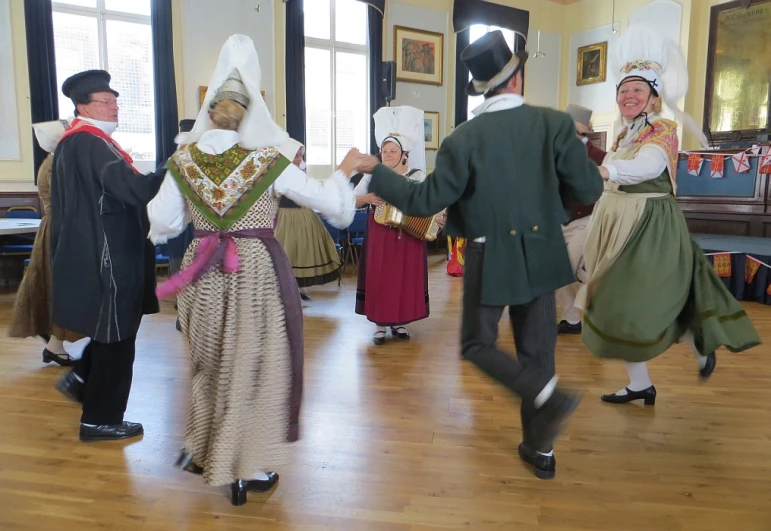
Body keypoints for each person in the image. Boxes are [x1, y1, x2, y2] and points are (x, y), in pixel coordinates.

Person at [351, 31, 603, 479]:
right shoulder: (555, 124)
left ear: (481, 86)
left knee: (477, 344)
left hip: (491, 256)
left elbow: (426, 199)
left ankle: (549, 398)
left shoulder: (461, 139)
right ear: (517, 77)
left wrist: (375, 171)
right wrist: (551, 212)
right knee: (538, 351)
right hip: (543, 250)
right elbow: (587, 189)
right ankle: (540, 448)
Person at [146, 34, 357, 506]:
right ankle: (244, 468)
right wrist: (343, 171)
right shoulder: (269, 161)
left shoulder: (183, 161)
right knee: (254, 365)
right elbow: (331, 205)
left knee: (208, 363)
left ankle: (204, 449)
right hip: (255, 270)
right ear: (252, 112)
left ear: (210, 111)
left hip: (200, 270)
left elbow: (162, 222)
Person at [574, 23, 760, 405]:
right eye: (624, 89)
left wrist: (606, 171)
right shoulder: (626, 134)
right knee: (615, 302)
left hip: (647, 226)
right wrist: (593, 156)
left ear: (653, 98)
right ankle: (640, 383)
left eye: (637, 89)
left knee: (642, 301)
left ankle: (697, 341)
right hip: (617, 223)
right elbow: (613, 161)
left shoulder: (662, 130)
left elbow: (647, 167)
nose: (629, 95)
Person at [50, 69, 164, 442]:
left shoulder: (74, 142)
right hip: (109, 255)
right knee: (117, 336)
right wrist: (171, 170)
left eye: (115, 100)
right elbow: (132, 190)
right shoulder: (91, 143)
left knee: (109, 329)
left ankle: (82, 379)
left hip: (96, 249)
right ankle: (100, 419)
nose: (114, 106)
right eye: (105, 101)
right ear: (82, 106)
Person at [353, 106, 437, 345]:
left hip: (409, 235)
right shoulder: (372, 175)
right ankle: (380, 325)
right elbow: (352, 198)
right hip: (379, 233)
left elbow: (430, 201)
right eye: (384, 150)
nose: (387, 154)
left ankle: (399, 322)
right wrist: (367, 198)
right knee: (380, 276)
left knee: (403, 277)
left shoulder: (417, 175)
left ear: (404, 154)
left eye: (393, 151)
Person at [9, 119, 85, 365]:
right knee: (58, 286)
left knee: (61, 287)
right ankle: (55, 344)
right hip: (60, 229)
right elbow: (69, 199)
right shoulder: (53, 166)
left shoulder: (55, 163)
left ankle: (55, 344)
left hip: (61, 227)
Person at [554, 117, 606, 335]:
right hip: (558, 222)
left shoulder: (600, 156)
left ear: (584, 129)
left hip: (587, 221)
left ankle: (604, 309)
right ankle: (572, 319)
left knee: (573, 268)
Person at [274, 139, 342, 300]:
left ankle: (299, 288)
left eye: (300, 155)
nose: (298, 158)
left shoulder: (302, 172)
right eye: (295, 155)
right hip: (286, 217)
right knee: (288, 252)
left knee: (303, 252)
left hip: (305, 216)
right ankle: (286, 290)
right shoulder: (279, 174)